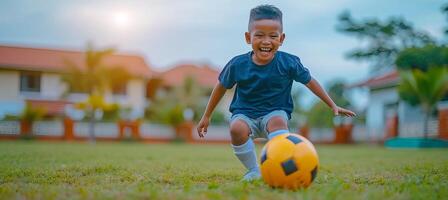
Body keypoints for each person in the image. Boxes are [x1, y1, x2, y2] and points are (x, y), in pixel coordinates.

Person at [196, 4, 356, 181]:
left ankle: (279, 168)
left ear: (282, 38)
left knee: (278, 121)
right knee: (236, 128)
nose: (266, 41)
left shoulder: (289, 63)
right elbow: (220, 86)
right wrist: (206, 116)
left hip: (275, 112)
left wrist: (332, 104)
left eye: (273, 36)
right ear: (248, 38)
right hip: (244, 114)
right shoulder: (237, 64)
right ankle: (254, 170)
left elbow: (310, 82)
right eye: (259, 35)